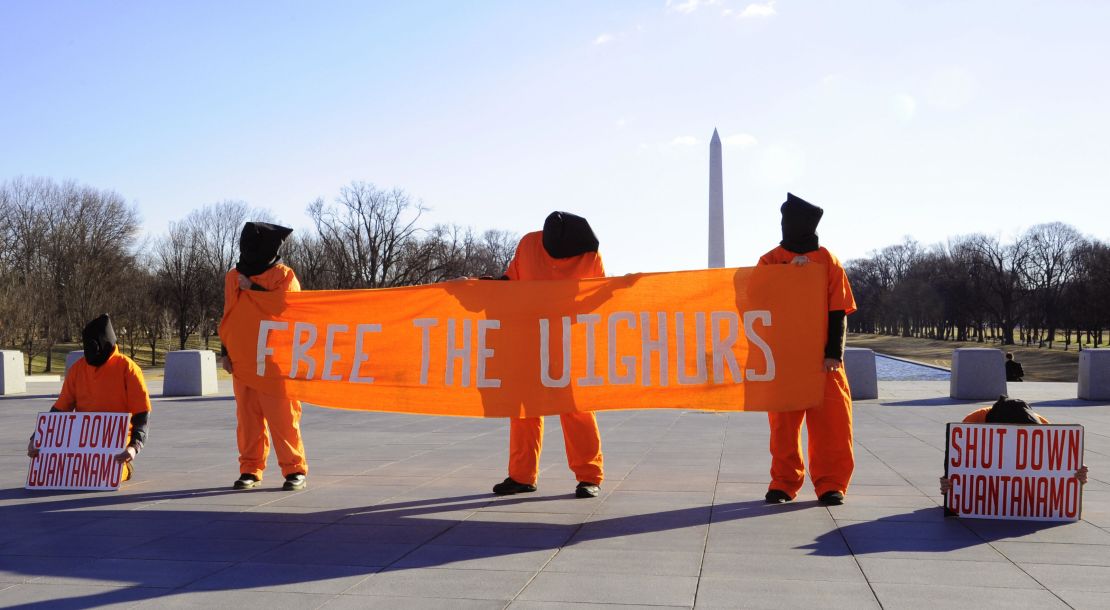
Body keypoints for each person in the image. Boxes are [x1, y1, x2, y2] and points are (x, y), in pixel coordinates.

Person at [490, 211, 606, 499]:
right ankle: (521, 476)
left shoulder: (590, 258)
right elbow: (509, 284)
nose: (559, 263)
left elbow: (600, 298)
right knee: (523, 411)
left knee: (577, 409)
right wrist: (475, 287)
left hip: (569, 342)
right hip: (528, 340)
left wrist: (630, 288)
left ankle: (589, 476)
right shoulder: (529, 245)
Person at [762, 193, 857, 506]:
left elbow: (838, 311)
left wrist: (834, 353)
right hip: (785, 359)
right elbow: (757, 300)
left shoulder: (828, 261)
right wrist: (791, 276)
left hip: (824, 361)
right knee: (783, 428)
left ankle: (831, 483)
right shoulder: (771, 260)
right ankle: (784, 482)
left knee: (832, 425)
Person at [220, 222, 309, 491]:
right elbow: (229, 314)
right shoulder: (233, 276)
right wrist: (225, 351)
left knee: (283, 416)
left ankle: (294, 469)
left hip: (276, 361)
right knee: (248, 419)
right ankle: (250, 468)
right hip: (244, 358)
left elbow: (287, 309)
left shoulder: (284, 276)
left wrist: (254, 290)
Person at [27, 314, 151, 481]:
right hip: (83, 443)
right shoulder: (78, 370)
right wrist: (37, 438)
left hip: (117, 443)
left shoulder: (128, 368)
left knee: (104, 476)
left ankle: (125, 467)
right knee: (70, 476)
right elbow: (60, 409)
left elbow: (142, 413)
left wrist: (134, 446)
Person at [939, 395, 1088, 494]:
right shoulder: (974, 422)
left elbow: (1059, 463)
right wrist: (950, 482)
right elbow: (958, 462)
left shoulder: (1043, 426)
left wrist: (1076, 476)